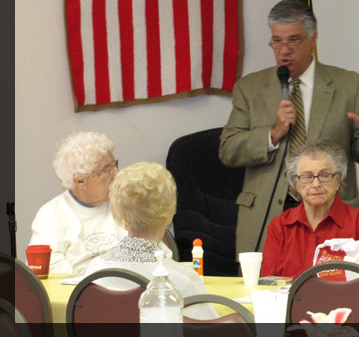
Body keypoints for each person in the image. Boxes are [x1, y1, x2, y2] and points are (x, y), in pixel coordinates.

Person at [219, 0, 359, 256]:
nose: (283, 50)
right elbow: (228, 149)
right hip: (266, 216)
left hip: (331, 213)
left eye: (294, 40)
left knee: (334, 287)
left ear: (313, 38)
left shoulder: (348, 85)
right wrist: (272, 133)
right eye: (277, 41)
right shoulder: (250, 88)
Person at [85, 162, 217, 319]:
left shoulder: (95, 271)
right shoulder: (180, 281)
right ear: (170, 209)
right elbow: (210, 329)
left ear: (117, 210)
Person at [260, 139, 359, 277]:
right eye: (307, 177)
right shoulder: (279, 226)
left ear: (338, 181)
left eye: (324, 175)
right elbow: (268, 283)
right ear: (296, 185)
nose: (316, 184)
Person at [28, 132, 125, 275]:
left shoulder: (127, 204)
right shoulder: (52, 214)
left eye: (115, 165)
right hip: (80, 294)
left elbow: (156, 252)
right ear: (80, 180)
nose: (117, 174)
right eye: (108, 170)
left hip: (132, 289)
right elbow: (50, 268)